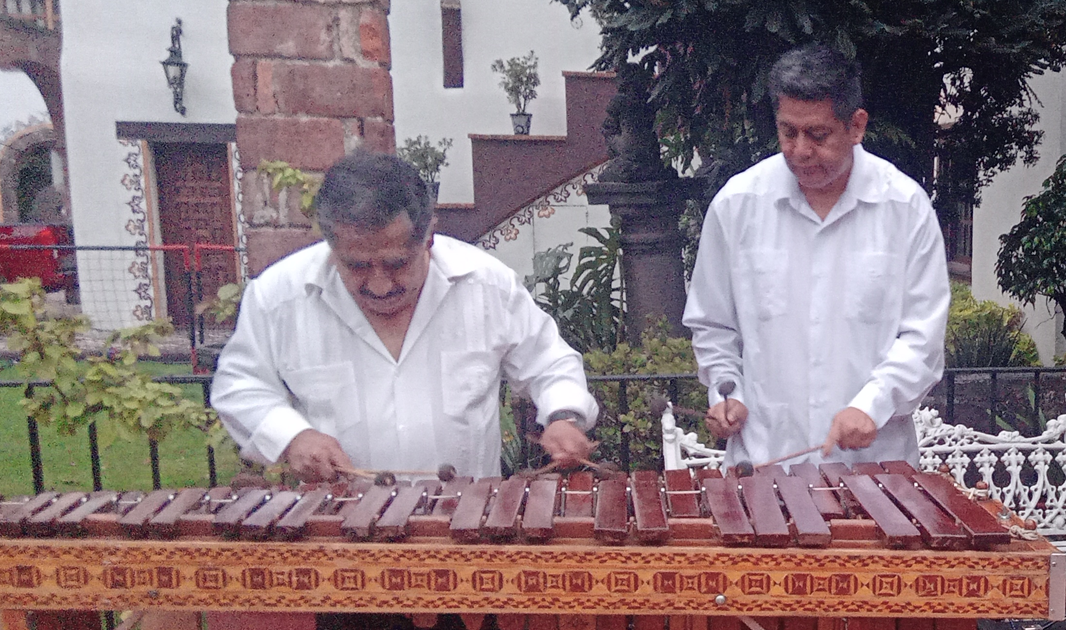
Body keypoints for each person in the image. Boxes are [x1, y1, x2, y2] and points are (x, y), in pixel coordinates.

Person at [211, 151, 599, 482]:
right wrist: (292, 436)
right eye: (358, 266)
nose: (380, 285)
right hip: (343, 534)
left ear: (428, 237)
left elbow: (550, 364)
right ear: (331, 246)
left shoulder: (488, 286)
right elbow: (240, 385)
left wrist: (563, 416)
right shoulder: (278, 297)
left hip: (469, 530)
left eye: (396, 264)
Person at [682, 44, 950, 469]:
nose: (800, 151)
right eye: (788, 132)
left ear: (856, 125)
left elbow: (923, 338)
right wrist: (727, 394)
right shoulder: (737, 205)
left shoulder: (905, 208)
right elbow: (714, 326)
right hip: (764, 464)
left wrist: (872, 405)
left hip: (876, 470)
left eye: (818, 135)